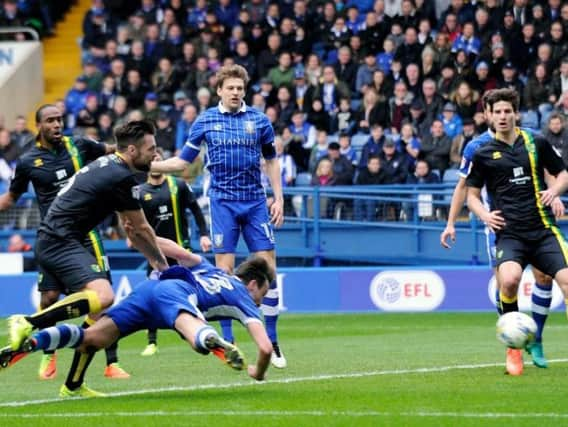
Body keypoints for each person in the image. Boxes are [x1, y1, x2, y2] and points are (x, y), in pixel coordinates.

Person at [6, 120, 169, 397]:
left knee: (99, 313)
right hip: (59, 239)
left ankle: (73, 385)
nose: (155, 154)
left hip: (61, 238)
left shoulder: (111, 167)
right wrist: (163, 266)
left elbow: (131, 228)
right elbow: (141, 227)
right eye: (151, 149)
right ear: (132, 150)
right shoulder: (121, 176)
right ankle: (29, 323)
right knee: (103, 296)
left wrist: (155, 261)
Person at [148, 64, 287, 368]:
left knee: (268, 269)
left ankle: (273, 341)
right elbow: (183, 163)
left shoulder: (260, 121)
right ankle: (230, 341)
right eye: (231, 88)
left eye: (240, 88)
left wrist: (279, 197)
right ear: (220, 90)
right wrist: (151, 166)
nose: (236, 92)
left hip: (254, 202)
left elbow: (272, 161)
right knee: (224, 274)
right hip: (223, 203)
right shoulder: (205, 121)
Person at [0, 245, 274, 396]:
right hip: (175, 295)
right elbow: (264, 348)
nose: (262, 299)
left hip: (150, 288)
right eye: (264, 292)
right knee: (189, 325)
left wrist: (146, 239)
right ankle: (208, 340)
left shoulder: (213, 270)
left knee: (93, 338)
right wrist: (257, 372)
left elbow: (179, 252)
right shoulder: (245, 298)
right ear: (253, 284)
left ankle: (31, 344)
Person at [0, 105, 129, 381]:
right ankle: (49, 352)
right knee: (48, 298)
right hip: (54, 236)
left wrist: (133, 147)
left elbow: (111, 151)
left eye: (59, 119)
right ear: (39, 126)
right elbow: (10, 198)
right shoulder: (27, 162)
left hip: (86, 233)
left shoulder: (79, 146)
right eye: (51, 121)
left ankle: (112, 362)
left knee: (104, 300)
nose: (57, 125)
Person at [440, 89, 563, 371]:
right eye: (497, 111)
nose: (503, 116)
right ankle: (514, 343)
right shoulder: (476, 148)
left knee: (545, 276)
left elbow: (545, 170)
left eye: (508, 111)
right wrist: (451, 222)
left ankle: (537, 338)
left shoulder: (532, 140)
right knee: (508, 281)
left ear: (515, 112)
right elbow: (464, 188)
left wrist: (553, 194)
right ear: (487, 114)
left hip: (537, 220)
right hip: (499, 224)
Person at [138, 150, 212, 356]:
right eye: (152, 159)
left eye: (159, 159)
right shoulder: (140, 192)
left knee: (190, 295)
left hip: (181, 251)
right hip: (156, 254)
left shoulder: (177, 185)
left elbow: (196, 210)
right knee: (152, 295)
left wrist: (204, 234)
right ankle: (151, 341)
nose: (155, 162)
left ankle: (200, 335)